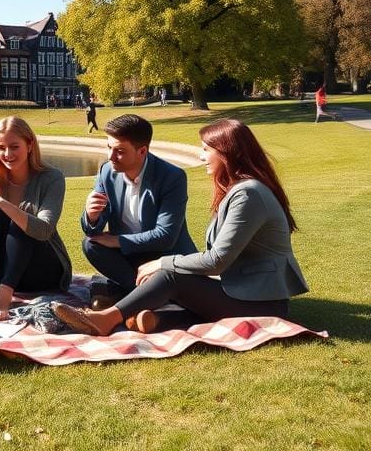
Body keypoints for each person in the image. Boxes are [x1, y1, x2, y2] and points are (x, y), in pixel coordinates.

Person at [53, 118, 309, 335]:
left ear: (227, 153)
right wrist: (92, 215)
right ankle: (153, 319)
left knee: (169, 275)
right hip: (243, 292)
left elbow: (217, 260)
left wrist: (162, 263)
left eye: (206, 150)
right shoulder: (240, 190)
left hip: (261, 301)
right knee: (167, 282)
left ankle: (105, 319)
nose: (201, 156)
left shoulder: (248, 194)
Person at [80, 114, 196, 308]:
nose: (110, 156)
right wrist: (92, 216)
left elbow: (166, 236)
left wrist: (117, 240)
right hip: (130, 255)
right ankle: (147, 295)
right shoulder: (107, 171)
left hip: (164, 255)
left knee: (159, 267)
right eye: (109, 147)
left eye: (119, 151)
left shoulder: (172, 177)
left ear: (142, 151)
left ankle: (131, 296)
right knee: (90, 244)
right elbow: (93, 230)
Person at [0, 116, 72, 321]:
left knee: (21, 220)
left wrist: (3, 204)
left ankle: (4, 295)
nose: (7, 154)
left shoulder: (52, 178)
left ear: (29, 145)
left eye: (14, 147)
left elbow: (44, 230)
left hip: (39, 270)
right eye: (1, 148)